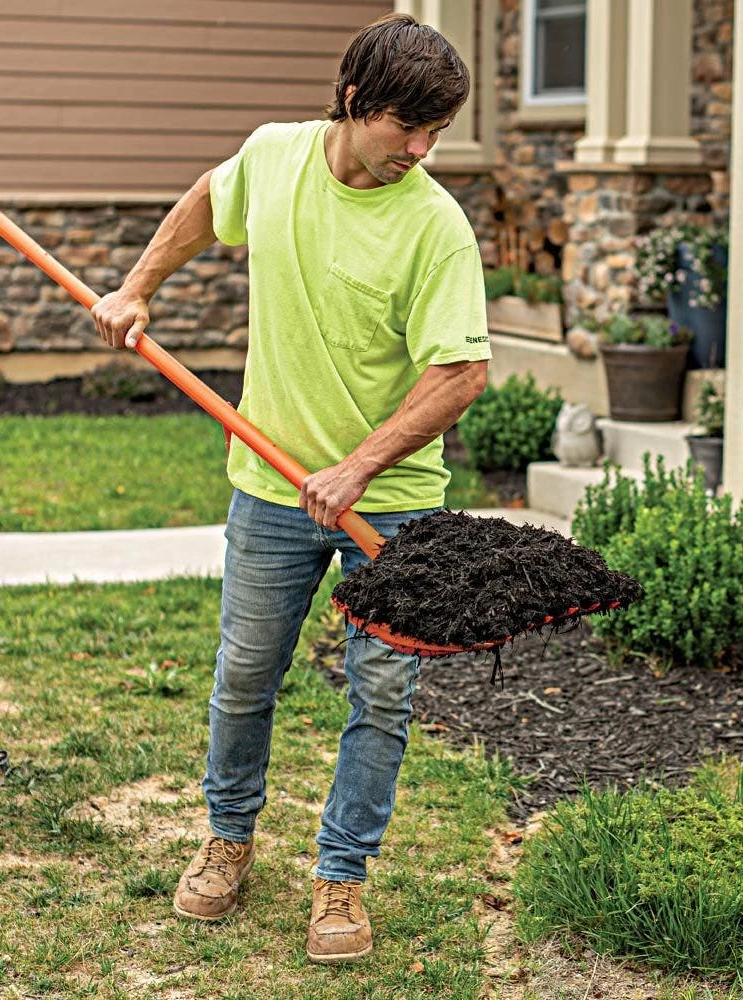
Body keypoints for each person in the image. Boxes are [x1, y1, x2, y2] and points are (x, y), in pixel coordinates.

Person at [90, 12, 491, 965]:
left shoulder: (436, 226)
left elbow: (461, 374)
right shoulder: (273, 157)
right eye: (408, 126)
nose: (422, 150)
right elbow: (208, 198)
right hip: (271, 491)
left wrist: (357, 469)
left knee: (382, 693)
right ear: (355, 101)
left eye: (437, 132)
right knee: (243, 678)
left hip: (391, 502)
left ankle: (342, 875)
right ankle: (228, 839)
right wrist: (139, 285)